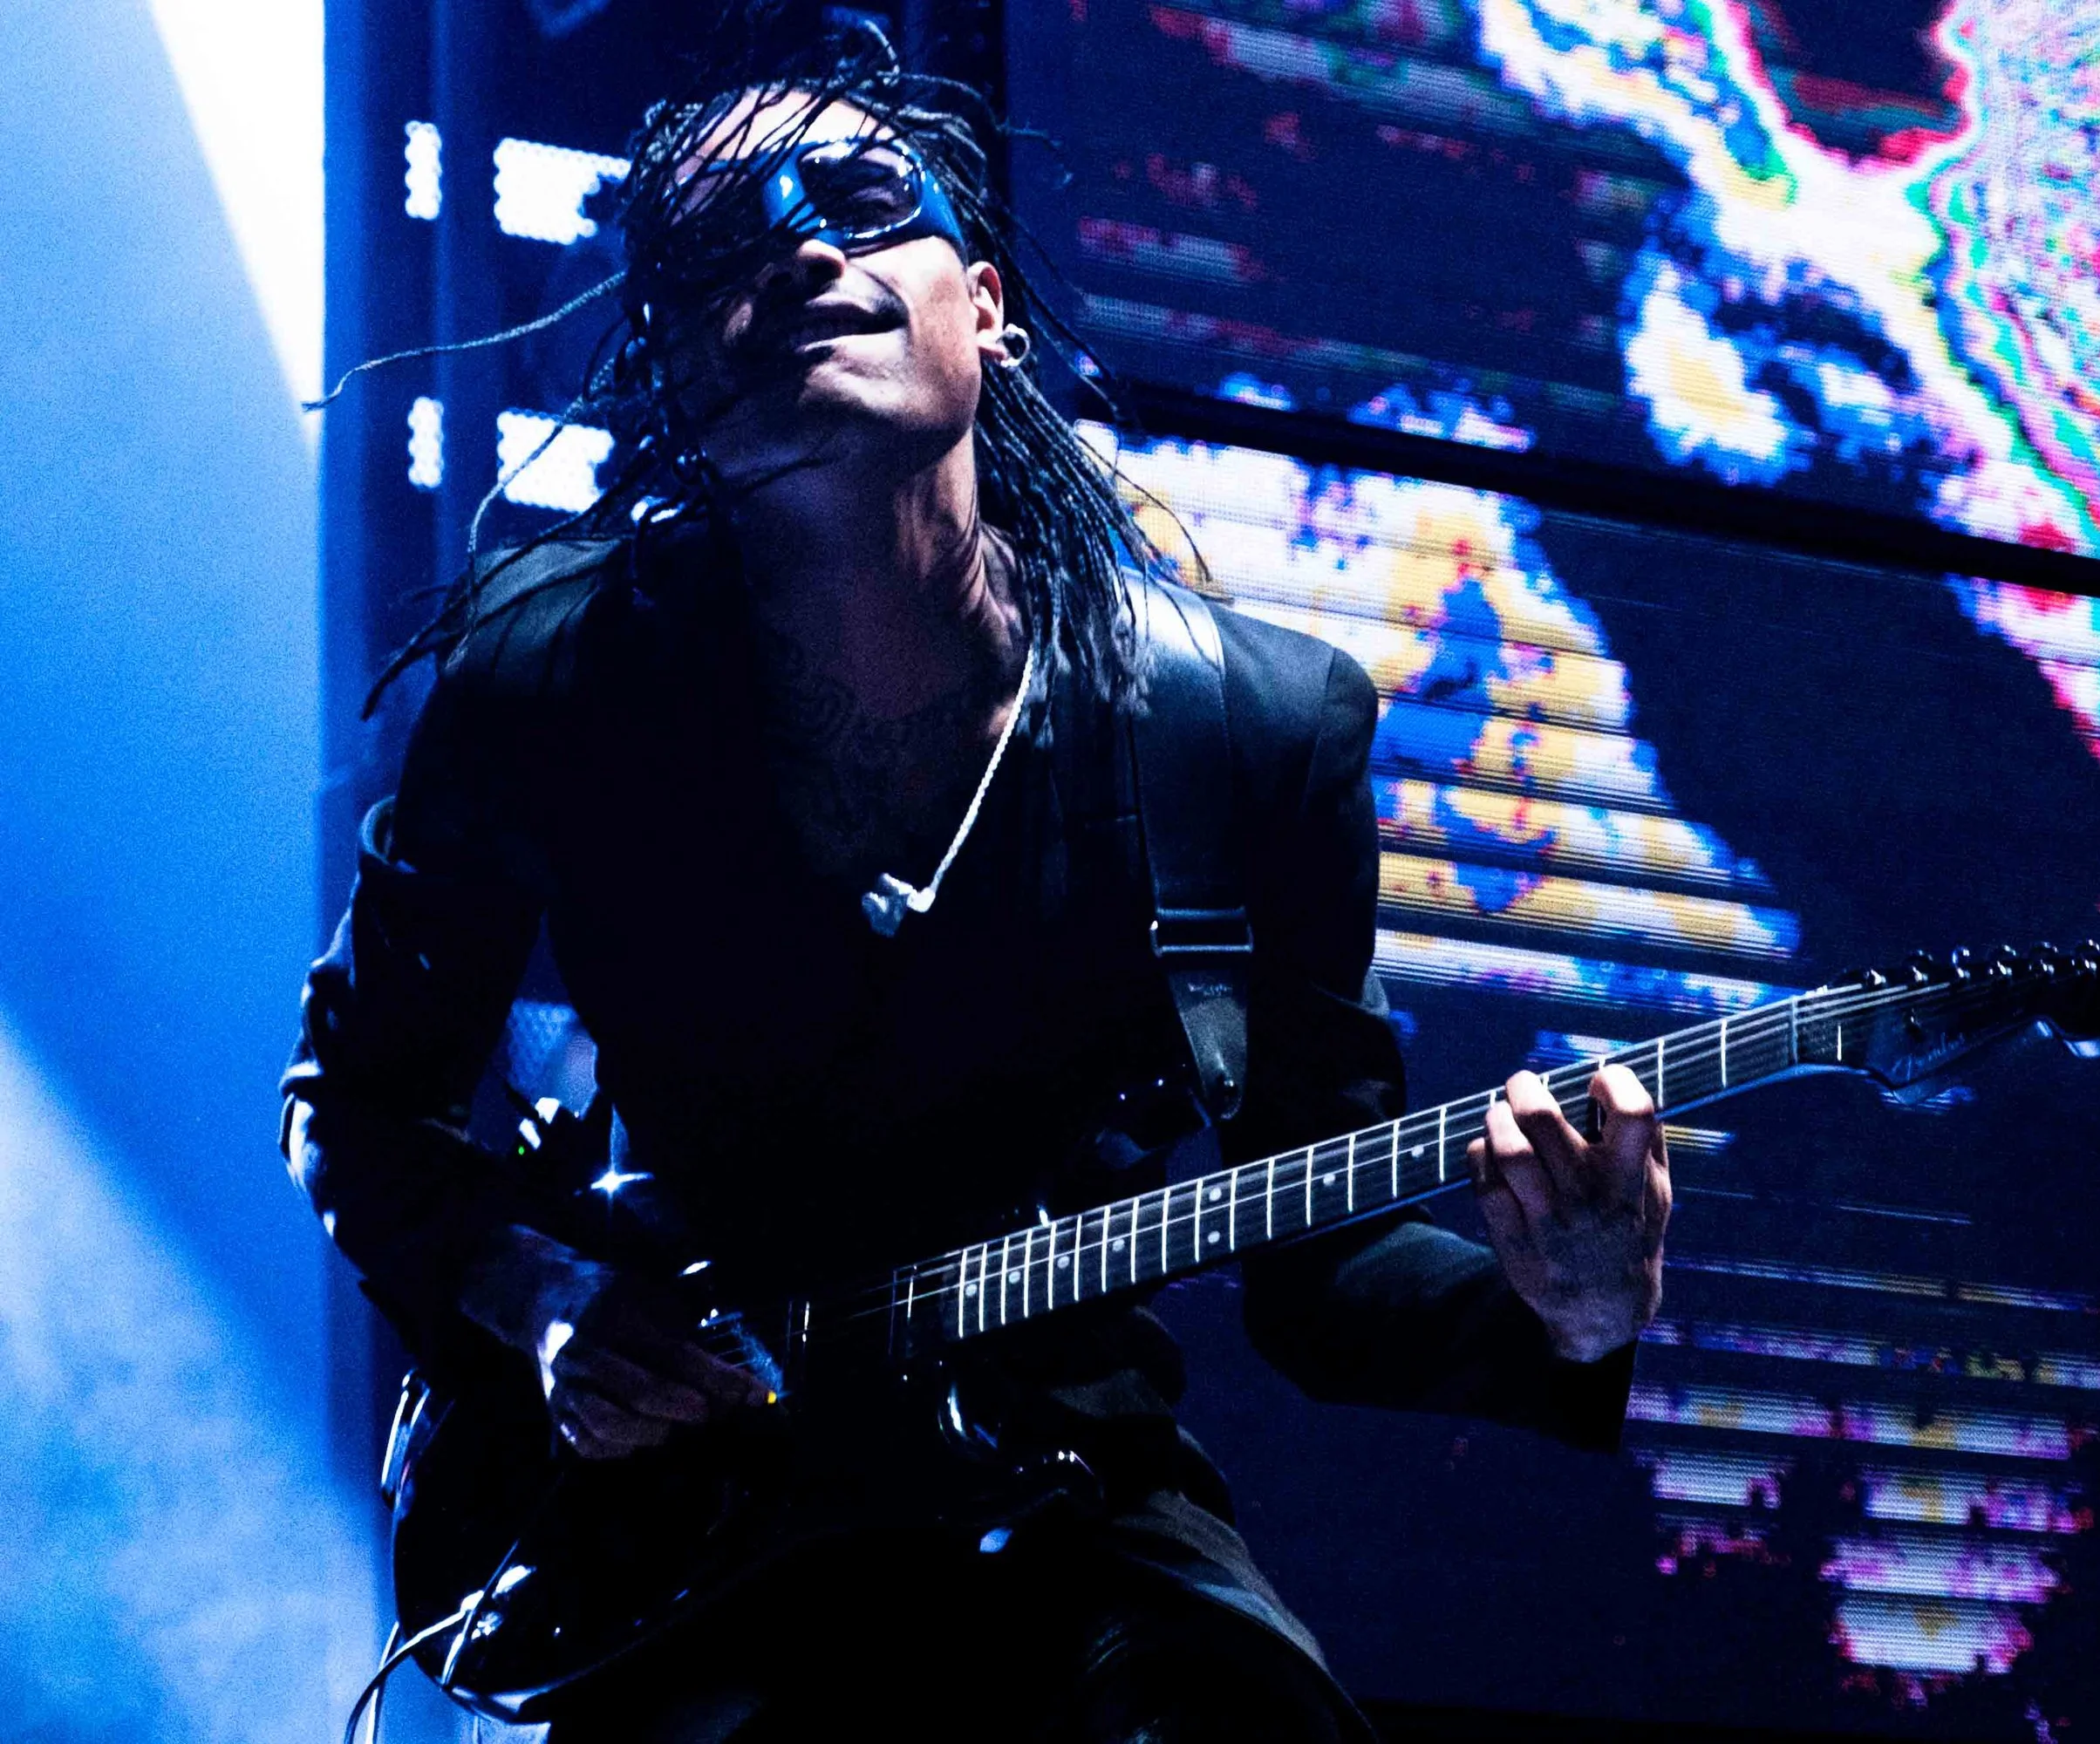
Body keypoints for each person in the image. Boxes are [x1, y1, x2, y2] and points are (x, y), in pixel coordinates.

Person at [283, 22, 1671, 1741]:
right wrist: (545, 1297)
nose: (800, 249)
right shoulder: (551, 674)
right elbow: (359, 1103)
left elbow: (1326, 1264)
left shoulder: (1244, 726)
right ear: (670, 365)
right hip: (682, 1517)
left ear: (988, 306)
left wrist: (1569, 1307)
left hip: (1059, 1485)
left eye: (861, 199)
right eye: (718, 244)